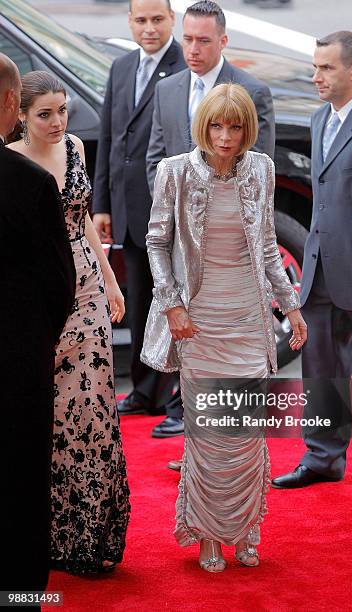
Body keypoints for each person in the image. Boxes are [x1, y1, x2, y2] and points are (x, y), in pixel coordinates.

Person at [142, 83, 306, 571]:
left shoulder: (262, 169)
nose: (226, 136)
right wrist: (172, 306)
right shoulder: (174, 172)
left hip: (249, 319)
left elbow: (269, 245)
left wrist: (290, 307)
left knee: (246, 433)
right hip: (199, 321)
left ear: (248, 129)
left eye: (236, 127)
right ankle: (210, 536)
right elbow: (155, 244)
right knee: (211, 434)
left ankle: (247, 528)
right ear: (203, 126)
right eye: (218, 125)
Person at [8, 71, 131, 572]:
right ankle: (45, 536)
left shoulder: (77, 147)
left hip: (87, 291)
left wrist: (112, 282)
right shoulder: (11, 162)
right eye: (45, 113)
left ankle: (89, 537)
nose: (58, 122)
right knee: (47, 417)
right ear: (20, 115)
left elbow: (82, 225)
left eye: (63, 111)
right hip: (39, 299)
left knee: (93, 412)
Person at [271, 32, 352, 489]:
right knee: (321, 372)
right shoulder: (318, 116)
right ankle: (323, 457)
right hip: (321, 270)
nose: (315, 76)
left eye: (326, 68)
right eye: (315, 66)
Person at [146, 0, 275, 443]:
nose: (193, 48)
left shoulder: (251, 90)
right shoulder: (168, 88)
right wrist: (172, 211)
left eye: (203, 40)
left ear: (223, 40)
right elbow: (155, 156)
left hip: (236, 282)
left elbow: (260, 185)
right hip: (187, 261)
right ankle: (186, 424)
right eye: (188, 38)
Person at [0, 56, 75, 594]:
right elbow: (59, 281)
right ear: (11, 104)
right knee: (20, 486)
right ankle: (21, 596)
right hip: (16, 361)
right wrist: (34, 337)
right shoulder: (26, 182)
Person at [93, 0, 186, 418]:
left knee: (171, 300)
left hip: (163, 207)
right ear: (129, 23)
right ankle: (144, 391)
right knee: (139, 300)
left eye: (157, 20)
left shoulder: (186, 64)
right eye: (141, 20)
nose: (149, 28)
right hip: (128, 207)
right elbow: (110, 138)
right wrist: (103, 203)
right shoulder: (122, 66)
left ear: (171, 21)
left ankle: (173, 393)